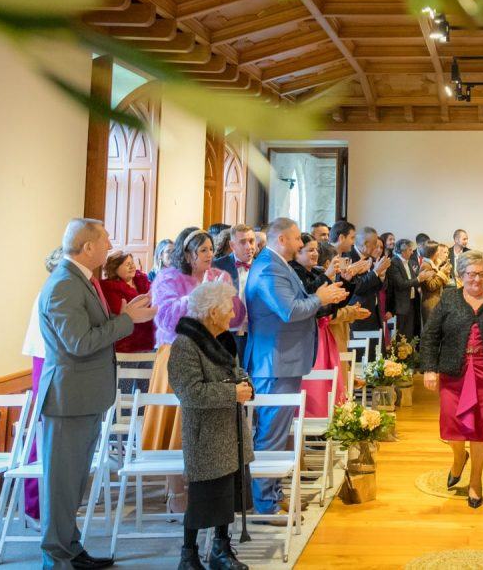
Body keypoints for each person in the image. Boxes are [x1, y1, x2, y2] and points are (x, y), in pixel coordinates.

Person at [37, 218, 156, 570]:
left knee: (74, 483)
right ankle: (56, 558)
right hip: (68, 398)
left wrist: (125, 315)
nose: (110, 246)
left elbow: (93, 330)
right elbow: (79, 342)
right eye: (105, 240)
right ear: (87, 247)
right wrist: (127, 321)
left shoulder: (82, 280)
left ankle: (71, 549)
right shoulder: (64, 284)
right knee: (61, 485)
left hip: (84, 396)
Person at [243, 218, 347, 513]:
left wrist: (322, 298)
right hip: (274, 362)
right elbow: (289, 310)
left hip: (283, 360)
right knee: (271, 434)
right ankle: (266, 503)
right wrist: (319, 298)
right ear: (281, 240)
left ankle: (273, 494)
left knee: (277, 433)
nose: (301, 243)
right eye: (297, 239)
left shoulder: (278, 265)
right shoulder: (268, 268)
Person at [143, 228, 243, 510]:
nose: (210, 255)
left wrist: (226, 297)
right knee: (176, 425)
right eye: (203, 250)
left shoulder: (219, 276)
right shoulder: (169, 278)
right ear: (187, 255)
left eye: (211, 249)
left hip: (211, 353)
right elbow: (165, 318)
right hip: (178, 352)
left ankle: (204, 489)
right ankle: (175, 491)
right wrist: (198, 295)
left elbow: (235, 317)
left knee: (206, 425)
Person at [168, 280, 254, 570]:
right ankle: (188, 556)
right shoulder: (185, 345)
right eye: (228, 307)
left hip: (230, 433)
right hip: (205, 436)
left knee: (227, 496)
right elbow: (190, 393)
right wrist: (232, 392)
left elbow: (237, 373)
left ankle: (221, 550)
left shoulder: (223, 339)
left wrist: (245, 384)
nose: (233, 313)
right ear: (213, 311)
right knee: (202, 500)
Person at [421, 250, 483, 508]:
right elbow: (430, 335)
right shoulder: (449, 298)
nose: (477, 279)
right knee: (452, 427)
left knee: (482, 429)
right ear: (460, 275)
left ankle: (476, 480)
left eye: (482, 274)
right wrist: (429, 368)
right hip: (454, 372)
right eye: (471, 274)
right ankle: (458, 458)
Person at [293, 237, 367, 418]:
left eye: (316, 250)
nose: (315, 253)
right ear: (297, 253)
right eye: (310, 250)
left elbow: (334, 305)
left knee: (330, 379)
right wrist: (327, 275)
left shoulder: (314, 273)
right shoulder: (295, 273)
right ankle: (313, 419)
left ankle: (330, 418)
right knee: (316, 383)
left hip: (322, 334)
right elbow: (308, 297)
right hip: (308, 336)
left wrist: (347, 281)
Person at [20, 248, 64, 523]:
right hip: (48, 362)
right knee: (43, 430)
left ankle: (52, 506)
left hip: (55, 362)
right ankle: (35, 506)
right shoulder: (53, 292)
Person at [97, 251, 155, 354]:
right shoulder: (109, 289)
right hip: (128, 345)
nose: (132, 267)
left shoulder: (143, 281)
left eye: (132, 263)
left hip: (151, 341)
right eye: (127, 264)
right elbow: (122, 316)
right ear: (115, 268)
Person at [212, 224, 259, 348]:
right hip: (225, 333)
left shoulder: (263, 267)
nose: (249, 246)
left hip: (254, 332)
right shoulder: (217, 266)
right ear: (232, 246)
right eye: (243, 242)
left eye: (251, 241)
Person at [388, 238, 422, 341]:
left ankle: (409, 351)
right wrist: (419, 279)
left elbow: (413, 280)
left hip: (411, 302)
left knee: (409, 334)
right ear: (403, 251)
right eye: (410, 250)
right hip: (401, 305)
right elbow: (401, 284)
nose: (412, 252)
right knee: (401, 335)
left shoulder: (409, 262)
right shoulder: (394, 262)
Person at [417, 242, 451, 322]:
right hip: (430, 304)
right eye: (438, 250)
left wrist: (445, 272)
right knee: (431, 328)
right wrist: (442, 273)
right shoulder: (425, 265)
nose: (439, 253)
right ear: (434, 253)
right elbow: (431, 286)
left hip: (436, 302)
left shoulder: (433, 264)